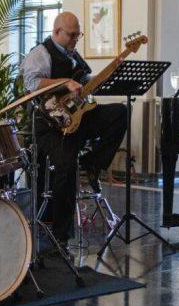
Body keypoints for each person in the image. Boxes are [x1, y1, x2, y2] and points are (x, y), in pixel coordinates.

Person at [20, 12, 127, 244]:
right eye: (71, 35)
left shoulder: (75, 56)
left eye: (78, 35)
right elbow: (31, 83)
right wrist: (63, 82)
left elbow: (86, 83)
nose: (75, 39)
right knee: (66, 166)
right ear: (57, 31)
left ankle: (93, 162)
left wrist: (109, 73)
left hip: (79, 117)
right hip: (50, 125)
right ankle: (61, 234)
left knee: (119, 113)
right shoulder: (40, 53)